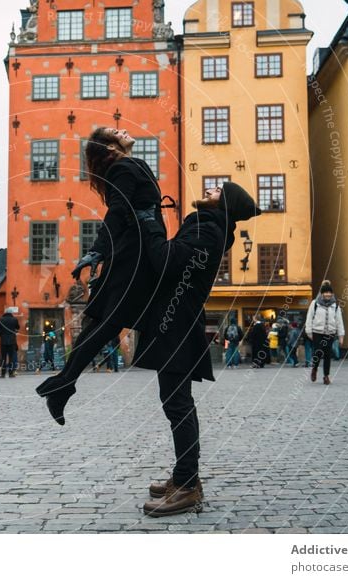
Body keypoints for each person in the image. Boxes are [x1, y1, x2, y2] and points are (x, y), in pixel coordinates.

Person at [129, 181, 261, 517]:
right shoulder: (206, 227)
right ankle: (184, 477)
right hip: (177, 323)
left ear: (224, 204)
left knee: (178, 405)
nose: (212, 188)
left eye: (219, 190)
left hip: (178, 326)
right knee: (176, 403)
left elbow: (167, 260)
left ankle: (187, 485)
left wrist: (148, 222)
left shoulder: (208, 231)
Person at [35, 127, 166, 421]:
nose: (123, 129)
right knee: (109, 322)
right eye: (114, 131)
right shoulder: (123, 167)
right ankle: (62, 385)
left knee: (101, 321)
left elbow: (123, 209)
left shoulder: (128, 165)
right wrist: (98, 249)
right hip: (136, 252)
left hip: (132, 249)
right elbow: (118, 211)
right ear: (110, 147)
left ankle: (63, 385)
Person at [305, 280, 345, 385]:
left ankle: (326, 376)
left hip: (330, 333)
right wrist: (309, 332)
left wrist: (341, 335)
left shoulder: (335, 306)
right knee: (317, 353)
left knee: (327, 355)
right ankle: (314, 369)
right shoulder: (315, 304)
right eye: (325, 292)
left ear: (332, 294)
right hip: (317, 332)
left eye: (329, 292)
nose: (327, 294)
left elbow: (339, 321)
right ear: (322, 293)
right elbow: (309, 318)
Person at [0, 308, 20, 378]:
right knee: (11, 358)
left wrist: (1, 335)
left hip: (3, 341)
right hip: (12, 341)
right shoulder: (14, 319)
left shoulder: (1, 319)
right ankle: (11, 373)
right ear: (11, 313)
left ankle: (3, 374)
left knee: (3, 357)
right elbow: (17, 327)